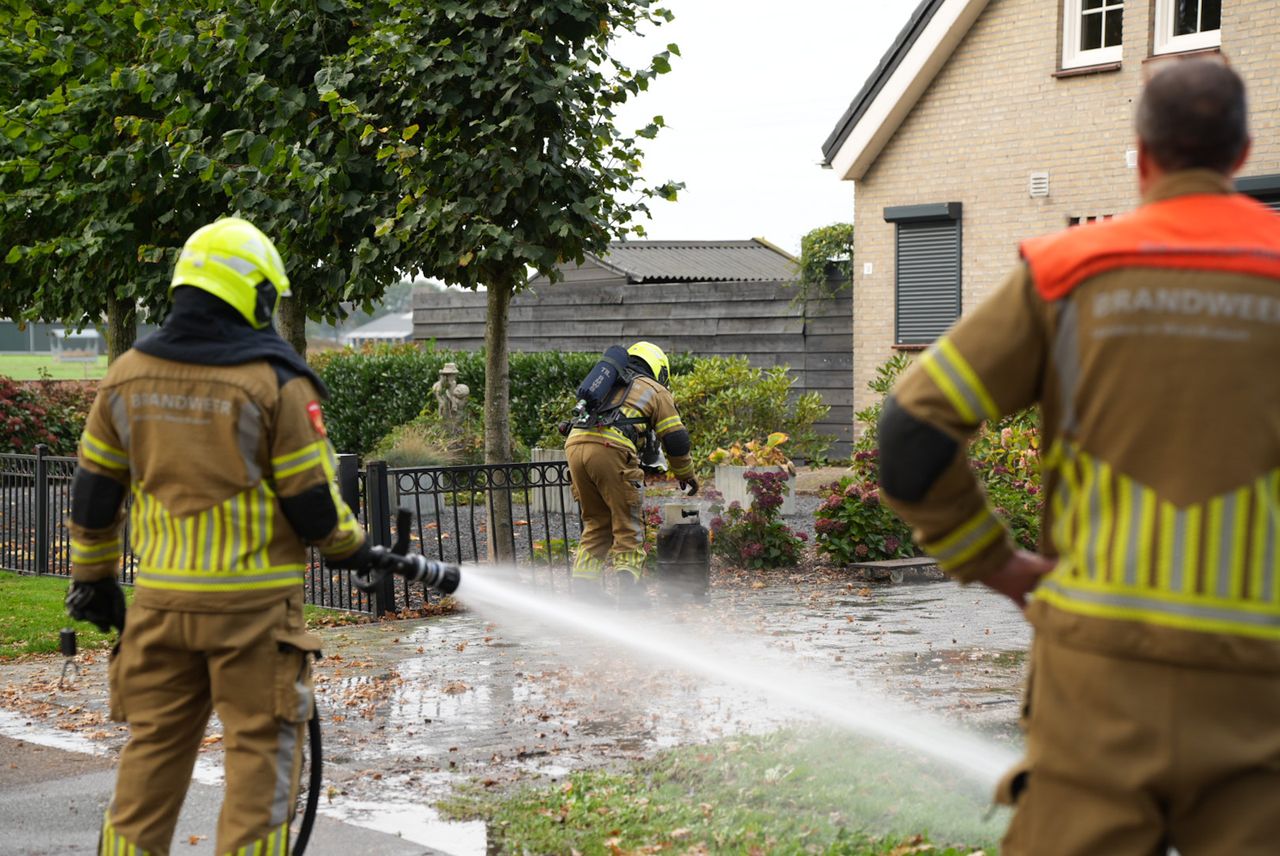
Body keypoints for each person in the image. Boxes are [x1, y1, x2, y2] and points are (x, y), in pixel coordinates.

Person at [876, 58, 1280, 855]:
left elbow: (911, 432)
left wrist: (994, 563)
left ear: (1140, 155)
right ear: (1241, 155)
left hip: (1097, 674)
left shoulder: (1066, 275)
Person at [64, 217, 381, 855]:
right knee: (260, 770)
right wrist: (354, 549)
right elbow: (312, 503)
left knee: (148, 764)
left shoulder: (126, 375)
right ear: (254, 295)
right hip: (255, 617)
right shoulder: (273, 382)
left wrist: (93, 581)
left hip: (159, 610)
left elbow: (95, 495)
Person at [564, 341, 697, 605]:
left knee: (596, 522)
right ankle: (630, 592)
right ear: (658, 369)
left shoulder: (609, 383)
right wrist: (686, 474)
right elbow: (676, 440)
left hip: (574, 445)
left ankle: (584, 590)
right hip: (610, 448)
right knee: (629, 523)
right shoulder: (654, 390)